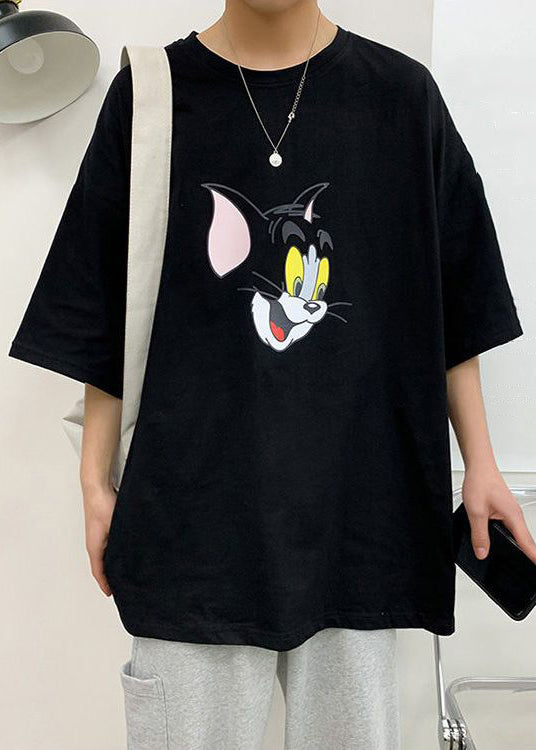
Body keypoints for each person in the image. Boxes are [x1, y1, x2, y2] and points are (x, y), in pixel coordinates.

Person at [8, 1, 535, 748]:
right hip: (190, 530)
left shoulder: (401, 97)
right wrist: (94, 479)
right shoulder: (151, 94)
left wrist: (481, 463)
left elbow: (458, 295)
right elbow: (102, 300)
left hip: (360, 521)